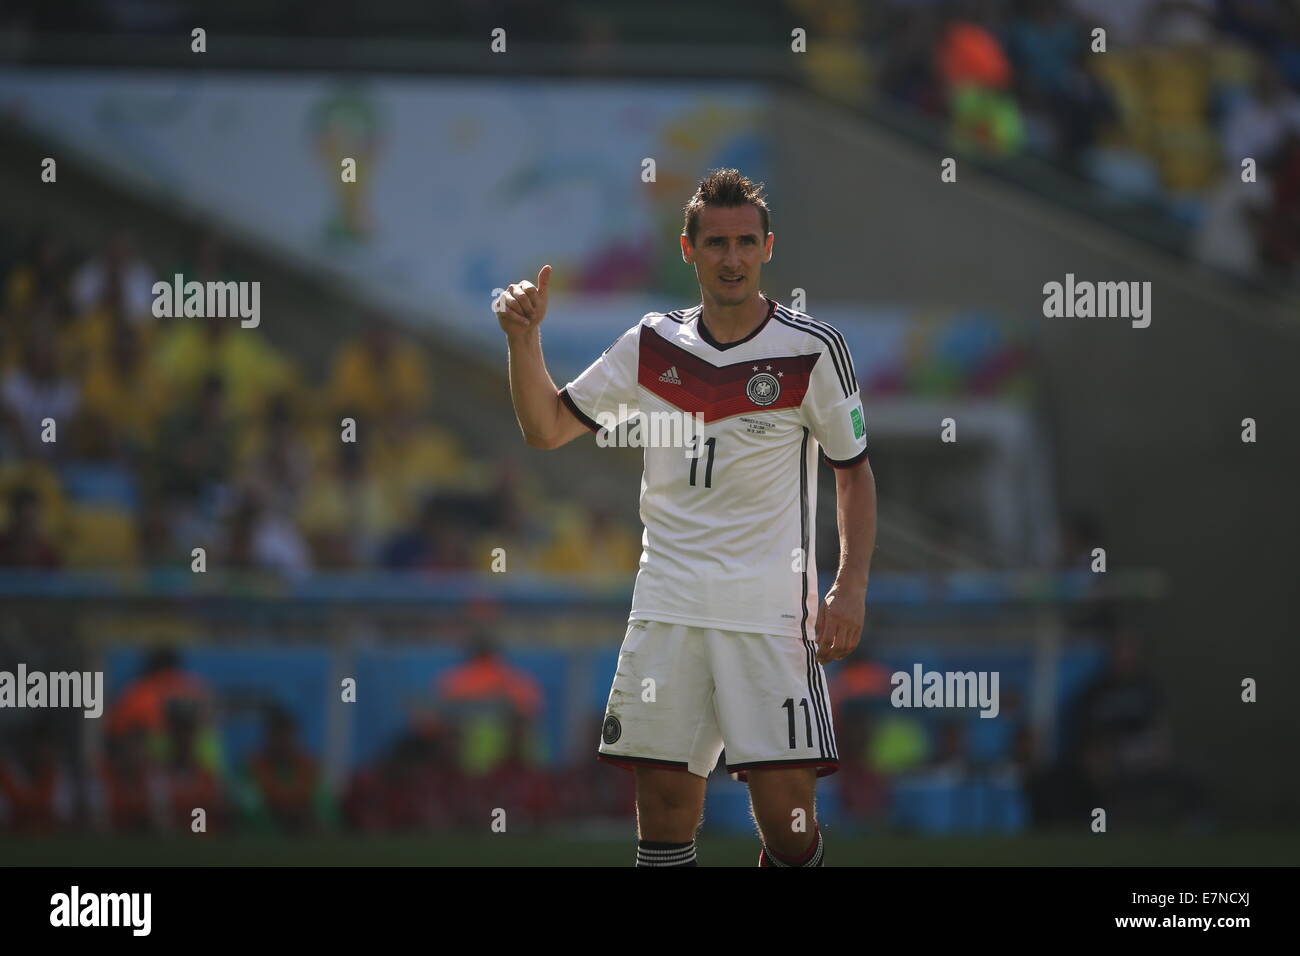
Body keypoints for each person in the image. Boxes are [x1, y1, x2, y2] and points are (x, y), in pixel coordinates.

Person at [495, 168, 877, 867]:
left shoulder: (812, 349)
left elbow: (853, 472)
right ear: (687, 250)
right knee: (666, 816)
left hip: (769, 614)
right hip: (668, 608)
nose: (731, 257)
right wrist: (524, 340)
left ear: (767, 248)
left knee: (789, 829)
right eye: (715, 243)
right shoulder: (651, 345)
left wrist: (847, 588)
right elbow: (546, 427)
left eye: (744, 242)